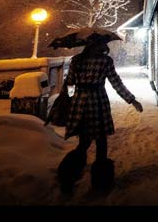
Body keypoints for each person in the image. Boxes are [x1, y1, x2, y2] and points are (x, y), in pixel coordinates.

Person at [57, 39, 142, 190]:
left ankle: (68, 174)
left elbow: (70, 83)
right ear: (99, 45)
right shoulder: (105, 61)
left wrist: (72, 99)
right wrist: (132, 100)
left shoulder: (76, 60)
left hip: (80, 103)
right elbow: (116, 83)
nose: (105, 47)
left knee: (84, 142)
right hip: (98, 102)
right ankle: (101, 181)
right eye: (103, 44)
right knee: (101, 141)